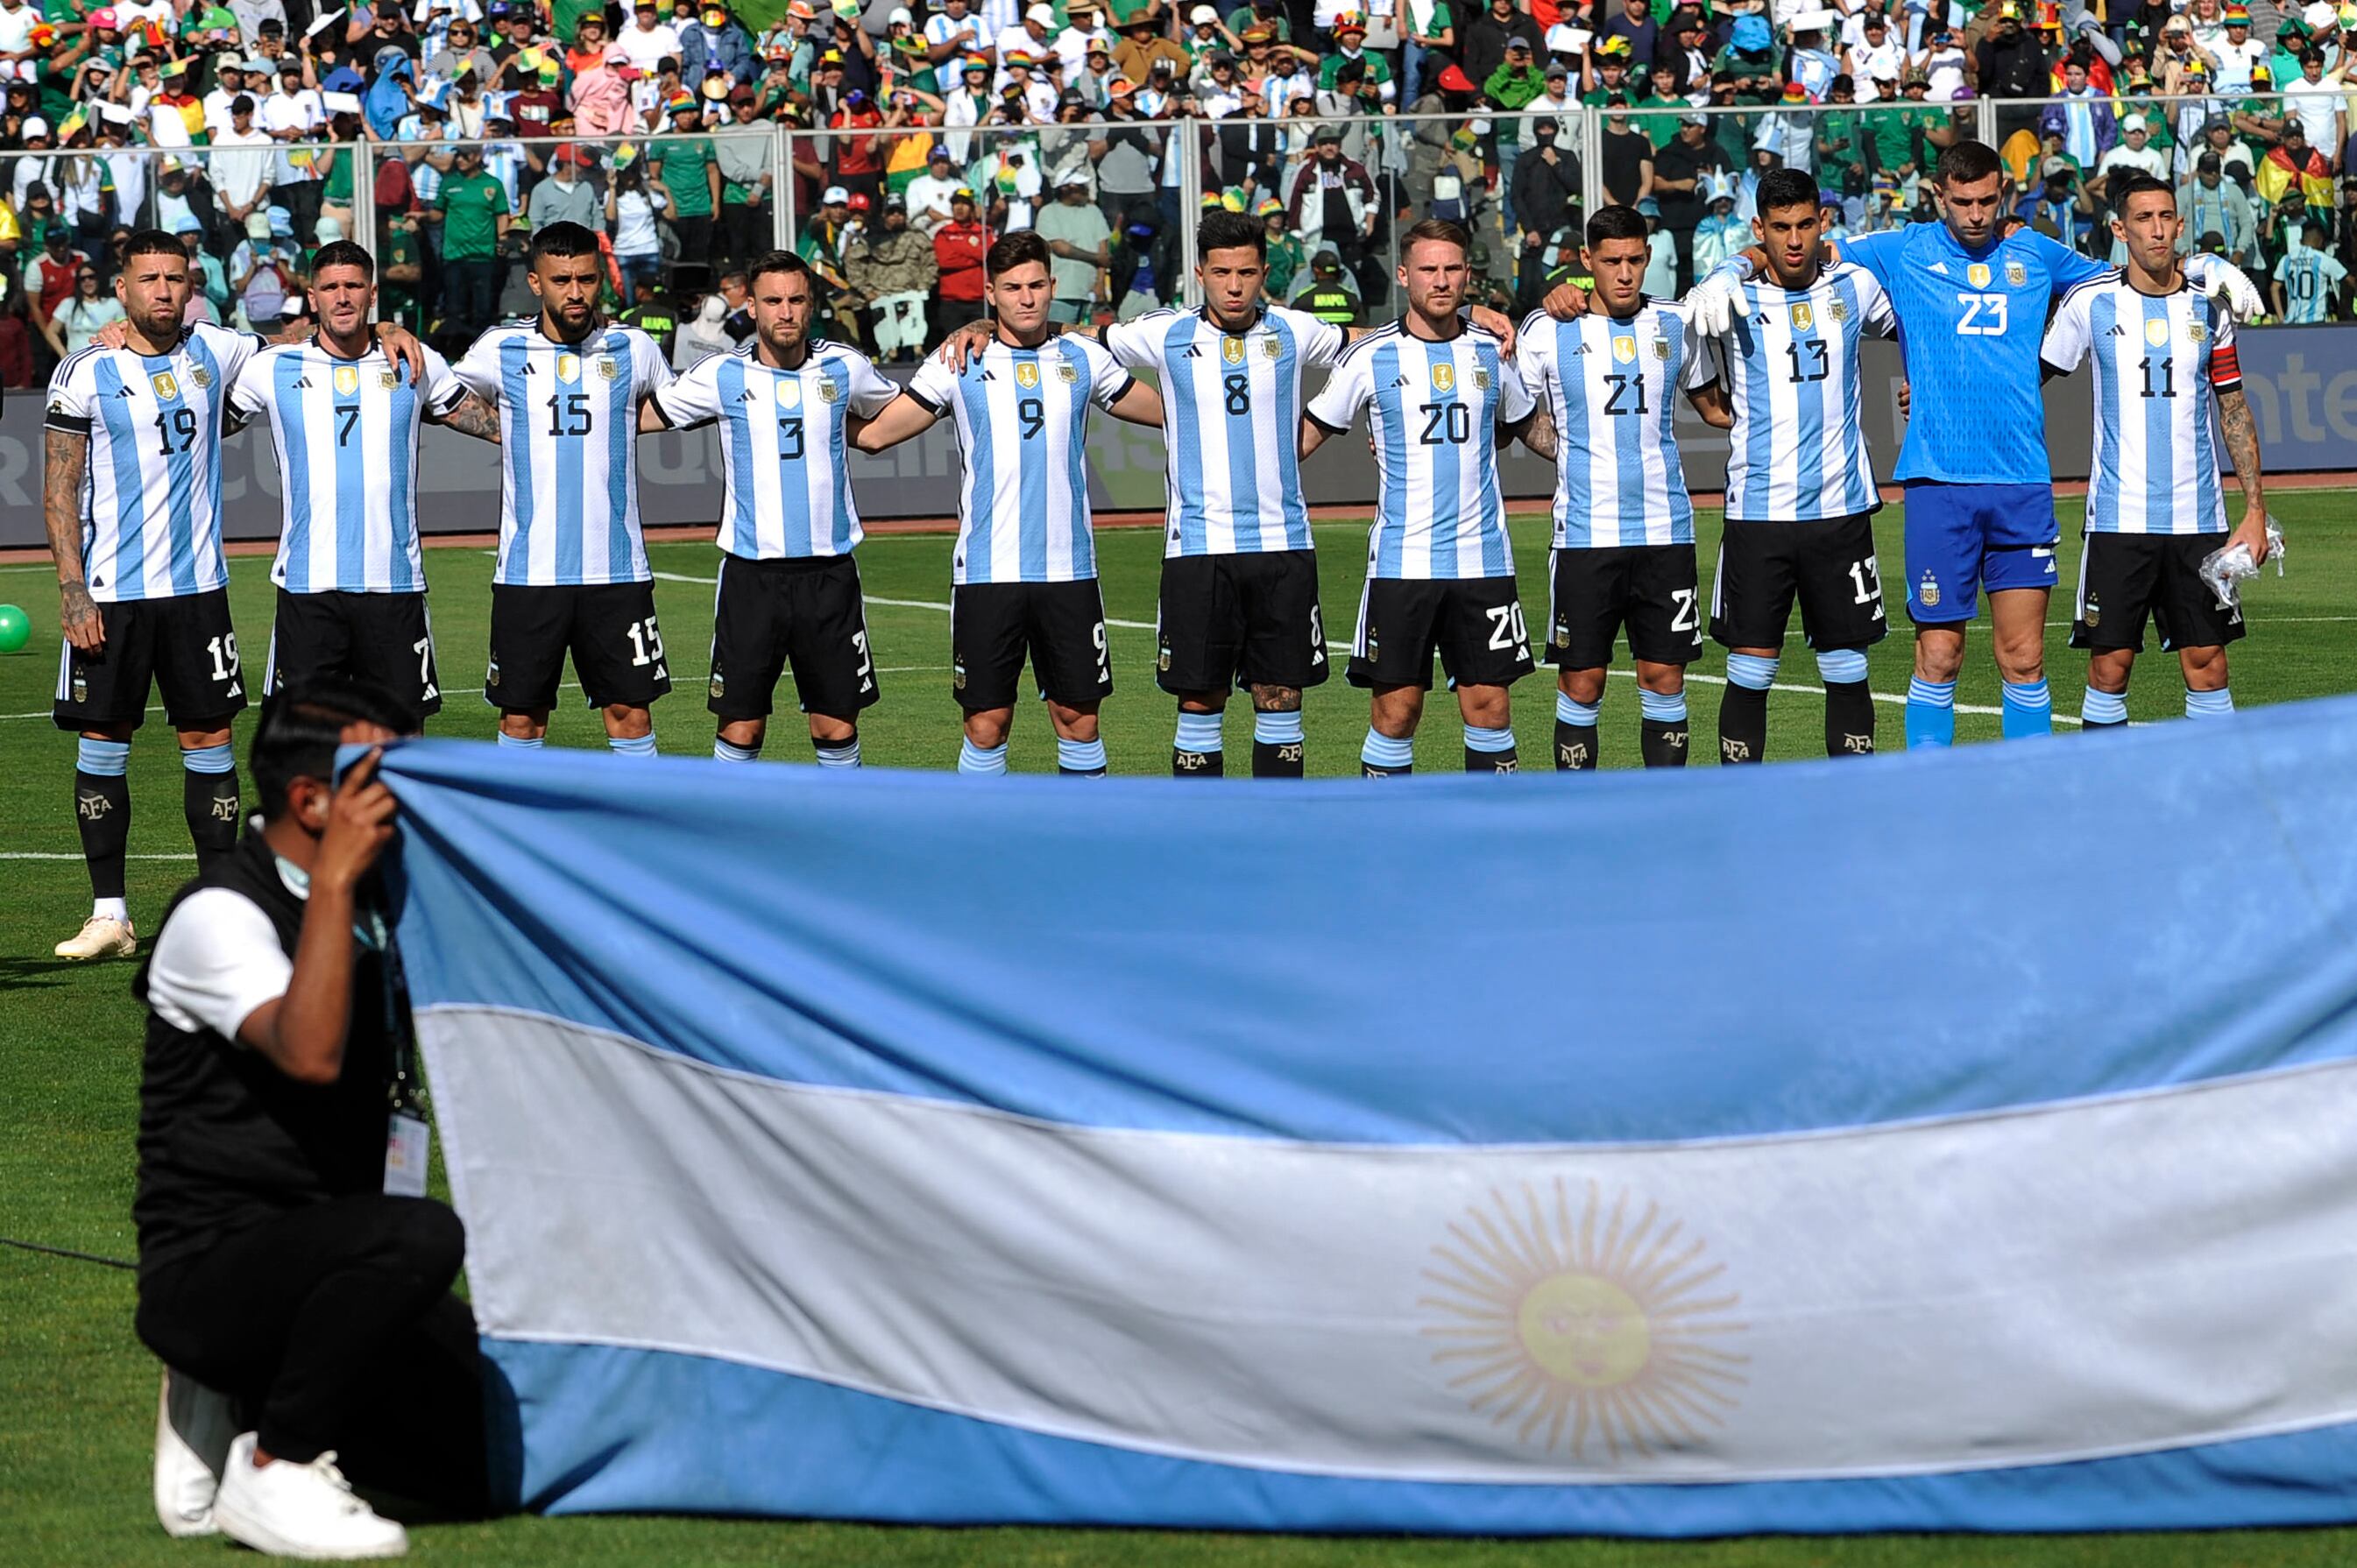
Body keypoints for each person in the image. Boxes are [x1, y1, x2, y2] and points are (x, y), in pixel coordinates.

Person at [1661, 140, 2258, 748]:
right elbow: (1801, 248)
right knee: (1940, 655)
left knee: (2025, 658)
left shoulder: (2037, 251)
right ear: (1938, 196)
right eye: (1963, 201)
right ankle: (1932, 800)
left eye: (1988, 200)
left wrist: (2206, 265)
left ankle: (2024, 801)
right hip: (1938, 485)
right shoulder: (1902, 249)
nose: (1976, 214)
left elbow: (2131, 273)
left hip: (2022, 483)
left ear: (2005, 195)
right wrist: (1730, 268)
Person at [136, 682, 495, 1558]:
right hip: (214, 1265)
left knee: (485, 1461)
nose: (405, 795)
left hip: (331, 1259)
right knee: (418, 1236)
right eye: (382, 775)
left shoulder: (382, 891)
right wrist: (334, 876)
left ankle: (254, 1394)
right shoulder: (217, 914)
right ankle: (272, 1458)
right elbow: (308, 1051)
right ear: (311, 801)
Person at [852, 230, 1164, 776]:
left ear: (1052, 287)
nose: (1027, 297)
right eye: (1013, 287)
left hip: (1068, 570)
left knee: (1079, 719)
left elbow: (1172, 413)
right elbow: (878, 436)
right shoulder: (956, 361)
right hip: (987, 574)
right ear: (990, 293)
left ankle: (1081, 847)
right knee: (986, 723)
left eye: (1037, 285)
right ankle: (983, 852)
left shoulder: (1083, 358)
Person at [44, 234, 264, 962]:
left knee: (209, 742)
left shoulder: (221, 349)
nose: (164, 292)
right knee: (103, 744)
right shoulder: (86, 369)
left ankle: (222, 912)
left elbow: (310, 342)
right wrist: (72, 591)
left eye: (176, 279)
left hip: (198, 591)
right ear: (122, 289)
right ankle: (111, 916)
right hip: (110, 593)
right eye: (149, 280)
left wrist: (388, 329)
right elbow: (59, 489)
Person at [226, 241, 503, 728]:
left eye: (353, 286)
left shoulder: (416, 363)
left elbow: (497, 427)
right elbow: (197, 416)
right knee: (303, 745)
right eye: (330, 288)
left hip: (393, 585)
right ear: (312, 298)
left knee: (403, 740)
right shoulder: (273, 368)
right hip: (308, 589)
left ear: (372, 294)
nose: (342, 297)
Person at [1301, 218, 1542, 777]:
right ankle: (1387, 844)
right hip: (1402, 565)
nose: (1441, 281)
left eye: (1452, 268)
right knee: (1396, 711)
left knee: (1491, 708)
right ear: (1405, 276)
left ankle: (1488, 844)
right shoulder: (1370, 357)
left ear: (1467, 277)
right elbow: (1303, 440)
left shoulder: (1492, 353)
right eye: (1429, 269)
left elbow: (1532, 430)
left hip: (1483, 562)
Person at [648, 251, 897, 766]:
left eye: (796, 300)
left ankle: (837, 841)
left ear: (811, 305)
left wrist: (979, 331)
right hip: (751, 577)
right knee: (741, 726)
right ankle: (733, 843)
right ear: (753, 309)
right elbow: (639, 417)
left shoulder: (845, 366)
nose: (785, 312)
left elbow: (892, 417)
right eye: (773, 301)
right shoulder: (720, 374)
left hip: (829, 573)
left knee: (836, 724)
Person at [2041, 174, 2269, 729]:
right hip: (2119, 520)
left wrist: (2256, 512)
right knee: (2110, 668)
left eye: (2166, 217)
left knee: (2209, 665)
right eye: (2143, 219)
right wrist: (1935, 395)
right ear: (2120, 229)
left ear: (2180, 224)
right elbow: (2027, 378)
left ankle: (2213, 801)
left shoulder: (2210, 311)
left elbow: (2233, 407)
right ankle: (2111, 804)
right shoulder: (2090, 304)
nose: (2157, 230)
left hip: (2200, 521)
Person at [1686, 168, 1898, 763]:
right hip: (1760, 511)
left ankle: (1851, 806)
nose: (1795, 239)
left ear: (1823, 222)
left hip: (1841, 508)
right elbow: (1694, 373)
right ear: (1759, 229)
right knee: (1752, 666)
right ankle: (1743, 804)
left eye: (1806, 224)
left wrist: (1919, 378)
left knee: (1847, 664)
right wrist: (1728, 267)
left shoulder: (1855, 287)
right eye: (1780, 228)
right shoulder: (1731, 296)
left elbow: (1917, 328)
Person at [449, 222, 677, 755]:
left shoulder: (634, 348)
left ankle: (634, 838)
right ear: (535, 282)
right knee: (522, 717)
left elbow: (672, 407)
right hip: (529, 573)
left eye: (586, 279)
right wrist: (504, 426)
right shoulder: (500, 348)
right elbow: (443, 399)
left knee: (630, 714)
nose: (575, 292)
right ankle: (519, 838)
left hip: (616, 570)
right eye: (561, 280)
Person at [1514, 205, 1724, 772]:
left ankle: (1662, 808)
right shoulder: (1549, 328)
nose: (1625, 273)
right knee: (1582, 680)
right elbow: (1512, 415)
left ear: (1649, 257)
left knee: (1665, 676)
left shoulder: (1676, 323)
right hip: (1586, 537)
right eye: (1612, 262)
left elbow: (1714, 407)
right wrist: (1570, 451)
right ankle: (1582, 814)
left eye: (1635, 260)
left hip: (1665, 533)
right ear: (1588, 261)